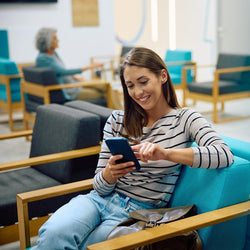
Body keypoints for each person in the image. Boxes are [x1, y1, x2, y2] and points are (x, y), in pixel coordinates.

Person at [33, 47, 234, 249]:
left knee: (87, 246)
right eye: (130, 85)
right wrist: (110, 174)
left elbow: (223, 154)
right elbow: (98, 186)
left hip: (136, 214)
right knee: (52, 234)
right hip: (97, 201)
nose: (138, 92)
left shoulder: (185, 119)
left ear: (162, 76)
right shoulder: (116, 120)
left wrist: (166, 153)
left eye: (143, 82)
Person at [35, 27, 105, 102]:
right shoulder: (43, 59)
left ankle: (117, 112)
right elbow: (63, 71)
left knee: (105, 87)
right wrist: (91, 66)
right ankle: (117, 112)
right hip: (71, 91)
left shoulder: (53, 54)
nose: (58, 40)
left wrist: (73, 76)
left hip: (75, 84)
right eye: (55, 38)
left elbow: (58, 71)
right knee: (106, 92)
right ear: (47, 41)